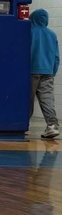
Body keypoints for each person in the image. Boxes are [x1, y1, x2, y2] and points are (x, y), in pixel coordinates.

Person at [31, 8, 60, 139]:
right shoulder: (52, 35)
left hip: (30, 72)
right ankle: (52, 126)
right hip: (47, 72)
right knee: (48, 100)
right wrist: (52, 72)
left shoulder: (28, 32)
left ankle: (21, 125)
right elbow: (56, 57)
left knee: (26, 100)